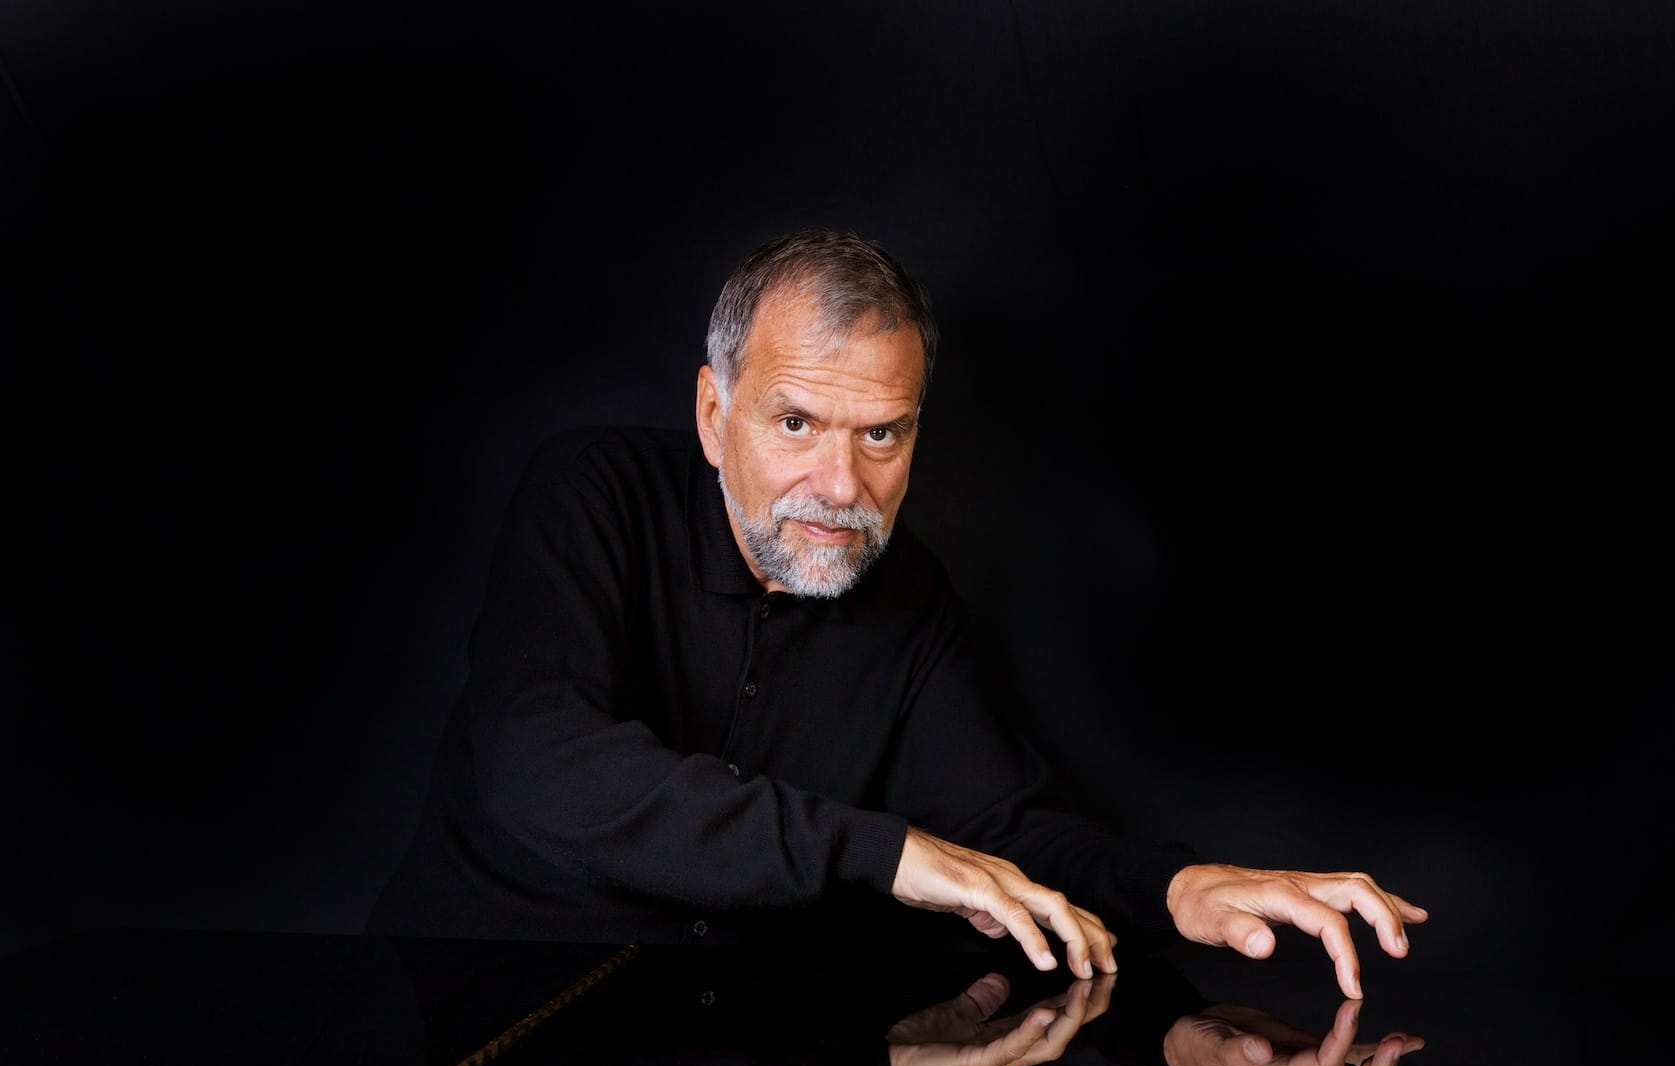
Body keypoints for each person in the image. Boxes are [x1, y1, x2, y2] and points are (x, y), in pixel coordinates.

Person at [366, 227, 1427, 996]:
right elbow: (539, 761)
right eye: (796, 422)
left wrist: (1177, 888)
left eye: (881, 434)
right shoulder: (590, 492)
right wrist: (882, 851)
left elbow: (999, 835)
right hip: (473, 1000)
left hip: (733, 1049)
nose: (842, 485)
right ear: (713, 414)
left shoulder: (910, 592)